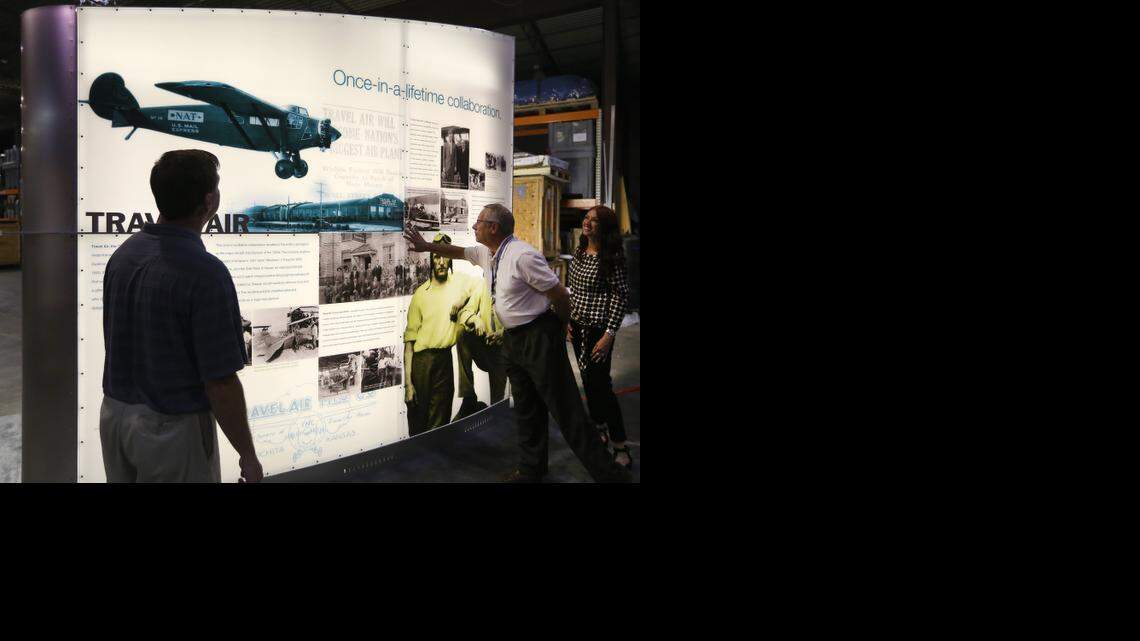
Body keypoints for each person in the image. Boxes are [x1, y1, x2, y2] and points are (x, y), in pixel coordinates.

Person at [403, 205, 631, 483]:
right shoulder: (488, 253)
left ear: (493, 228)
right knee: (526, 409)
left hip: (537, 336)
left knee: (567, 412)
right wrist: (425, 246)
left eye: (479, 222)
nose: (474, 226)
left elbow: (560, 295)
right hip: (513, 340)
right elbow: (459, 252)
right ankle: (531, 469)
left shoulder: (523, 256)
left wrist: (556, 331)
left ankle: (611, 476)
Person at [100, 149, 263, 483]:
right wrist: (248, 455)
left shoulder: (122, 255)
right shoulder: (206, 273)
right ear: (209, 201)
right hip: (170, 431)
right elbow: (220, 382)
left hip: (114, 418)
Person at [568, 205, 632, 469]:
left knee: (601, 386)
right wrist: (568, 320)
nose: (588, 223)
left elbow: (620, 296)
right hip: (578, 326)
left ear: (604, 227)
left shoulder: (613, 257)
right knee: (586, 380)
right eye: (587, 218)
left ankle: (620, 445)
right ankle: (600, 427)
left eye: (594, 221)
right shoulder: (580, 252)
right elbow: (574, 289)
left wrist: (609, 335)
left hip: (599, 331)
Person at [403, 232, 478, 436]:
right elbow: (409, 344)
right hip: (422, 362)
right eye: (436, 256)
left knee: (442, 416)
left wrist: (463, 299)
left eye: (445, 256)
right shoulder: (421, 294)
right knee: (418, 415)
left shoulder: (458, 285)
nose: (442, 262)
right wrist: (408, 385)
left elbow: (479, 285)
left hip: (444, 360)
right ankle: (417, 463)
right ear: (431, 260)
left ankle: (436, 462)